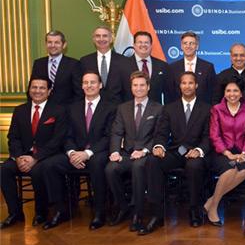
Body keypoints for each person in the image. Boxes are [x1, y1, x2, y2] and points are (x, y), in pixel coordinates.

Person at [42, 71, 117, 230]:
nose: (89, 86)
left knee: (97, 164)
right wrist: (72, 153)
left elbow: (109, 136)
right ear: (82, 86)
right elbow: (66, 134)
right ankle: (61, 210)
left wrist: (87, 153)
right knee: (49, 165)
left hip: (98, 152)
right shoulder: (72, 108)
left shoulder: (111, 107)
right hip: (75, 153)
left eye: (93, 82)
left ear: (100, 85)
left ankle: (99, 212)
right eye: (86, 82)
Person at [141, 71, 210, 235]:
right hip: (176, 152)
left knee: (194, 166)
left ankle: (194, 210)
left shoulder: (207, 109)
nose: (187, 86)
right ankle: (156, 215)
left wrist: (199, 150)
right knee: (152, 161)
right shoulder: (169, 108)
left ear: (196, 86)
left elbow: (209, 137)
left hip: (195, 153)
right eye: (184, 83)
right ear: (180, 86)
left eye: (190, 83)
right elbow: (161, 133)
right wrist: (158, 146)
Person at [0, 77, 67, 229]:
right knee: (4, 169)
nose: (37, 91)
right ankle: (15, 213)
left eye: (42, 88)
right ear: (29, 90)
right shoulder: (20, 110)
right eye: (34, 87)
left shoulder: (58, 110)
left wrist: (35, 158)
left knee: (38, 170)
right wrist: (18, 158)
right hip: (22, 156)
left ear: (49, 91)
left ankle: (41, 212)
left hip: (46, 156)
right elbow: (13, 137)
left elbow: (57, 140)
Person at [105, 71, 163, 232]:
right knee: (110, 169)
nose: (138, 88)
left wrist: (144, 151)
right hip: (126, 153)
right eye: (135, 85)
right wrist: (115, 151)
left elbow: (159, 136)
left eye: (142, 85)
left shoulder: (158, 108)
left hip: (146, 153)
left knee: (138, 168)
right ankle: (123, 207)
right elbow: (116, 132)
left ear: (148, 87)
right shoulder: (123, 108)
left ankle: (138, 213)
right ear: (131, 88)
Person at [205, 75, 245, 226]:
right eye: (228, 91)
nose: (232, 94)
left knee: (244, 171)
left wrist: (243, 153)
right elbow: (214, 135)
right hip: (221, 152)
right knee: (230, 170)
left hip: (242, 151)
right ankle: (214, 207)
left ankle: (211, 201)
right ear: (224, 93)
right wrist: (228, 153)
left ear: (241, 93)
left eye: (235, 91)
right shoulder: (217, 109)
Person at [80, 26, 134, 104]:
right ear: (94, 39)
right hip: (93, 109)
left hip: (118, 109)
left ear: (111, 39)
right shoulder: (85, 61)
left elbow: (128, 89)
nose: (101, 39)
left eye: (105, 36)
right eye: (98, 36)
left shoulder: (124, 61)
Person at [30, 30, 83, 105]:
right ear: (46, 44)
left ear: (64, 45)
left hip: (66, 112)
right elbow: (32, 89)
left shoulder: (74, 64)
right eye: (49, 42)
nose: (53, 45)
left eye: (57, 42)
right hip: (43, 111)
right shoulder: (38, 63)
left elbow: (79, 93)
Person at [168, 31, 216, 103]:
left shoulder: (208, 67)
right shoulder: (172, 67)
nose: (188, 46)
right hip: (178, 111)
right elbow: (170, 93)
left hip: (203, 111)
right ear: (181, 46)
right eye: (185, 43)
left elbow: (214, 92)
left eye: (191, 43)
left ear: (197, 46)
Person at [129, 31, 171, 104]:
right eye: (140, 42)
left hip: (157, 112)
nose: (143, 45)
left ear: (151, 45)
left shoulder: (163, 66)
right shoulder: (123, 65)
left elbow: (168, 94)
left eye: (146, 42)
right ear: (134, 45)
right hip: (129, 112)